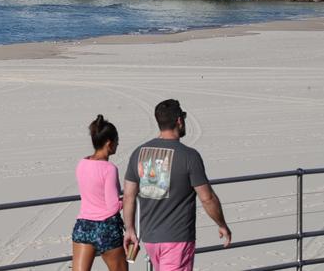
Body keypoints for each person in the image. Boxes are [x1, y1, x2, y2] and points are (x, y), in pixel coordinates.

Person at [122, 99, 231, 271]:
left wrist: (129, 229)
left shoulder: (138, 153)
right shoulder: (189, 156)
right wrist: (222, 224)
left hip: (150, 240)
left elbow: (128, 195)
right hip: (177, 240)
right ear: (179, 121)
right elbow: (207, 198)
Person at [72, 115, 127, 271]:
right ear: (109, 143)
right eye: (117, 141)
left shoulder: (81, 164)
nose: (118, 144)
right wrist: (127, 199)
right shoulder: (109, 169)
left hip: (83, 225)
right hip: (106, 227)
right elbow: (112, 206)